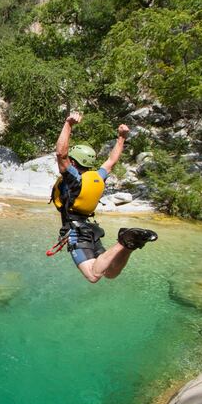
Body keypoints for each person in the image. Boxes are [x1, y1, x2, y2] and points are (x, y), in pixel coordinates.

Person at [52, 111, 157, 283]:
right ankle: (130, 244)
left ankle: (125, 241)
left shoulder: (72, 179)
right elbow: (111, 161)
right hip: (90, 229)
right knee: (109, 273)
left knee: (93, 276)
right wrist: (121, 138)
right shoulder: (97, 177)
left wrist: (68, 124)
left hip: (76, 232)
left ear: (72, 162)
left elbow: (60, 154)